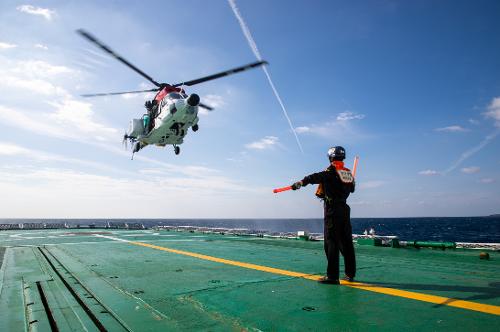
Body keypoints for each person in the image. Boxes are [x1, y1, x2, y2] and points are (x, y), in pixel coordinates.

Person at [291, 146, 356, 284]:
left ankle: (332, 277)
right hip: (344, 209)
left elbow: (314, 177)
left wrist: (300, 183)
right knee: (346, 242)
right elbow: (352, 189)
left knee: (331, 242)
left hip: (332, 210)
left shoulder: (330, 172)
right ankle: (350, 274)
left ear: (331, 157)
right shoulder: (347, 174)